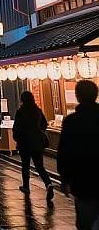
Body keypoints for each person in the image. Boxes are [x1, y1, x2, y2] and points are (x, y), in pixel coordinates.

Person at [58, 80, 99, 230]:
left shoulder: (71, 121)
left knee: (85, 222)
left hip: (83, 180)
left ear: (77, 96)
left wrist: (65, 179)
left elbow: (64, 152)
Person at [12, 91, 54, 200]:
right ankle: (48, 184)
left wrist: (17, 138)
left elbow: (17, 128)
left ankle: (26, 186)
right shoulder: (37, 110)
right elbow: (44, 124)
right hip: (37, 142)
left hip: (24, 143)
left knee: (25, 165)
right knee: (40, 166)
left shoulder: (21, 112)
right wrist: (38, 132)